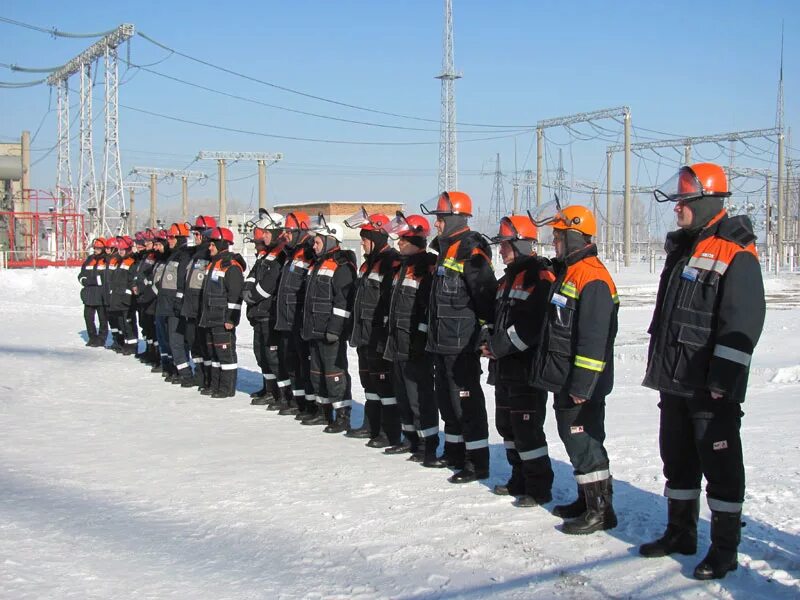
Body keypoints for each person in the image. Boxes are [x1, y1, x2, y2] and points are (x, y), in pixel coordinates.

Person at [640, 163, 766, 580]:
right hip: (675, 381)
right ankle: (680, 533)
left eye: (684, 201)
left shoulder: (736, 251)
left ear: (707, 201)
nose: (677, 208)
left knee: (721, 471)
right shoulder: (685, 249)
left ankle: (725, 549)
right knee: (677, 462)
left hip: (710, 389)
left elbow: (742, 322)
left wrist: (723, 384)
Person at [530, 204, 618, 534]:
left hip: (582, 384)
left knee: (586, 443)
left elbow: (594, 340)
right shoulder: (572, 272)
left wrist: (583, 385)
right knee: (573, 440)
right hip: (565, 379)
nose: (554, 242)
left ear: (573, 236)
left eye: (557, 236)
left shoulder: (592, 278)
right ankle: (586, 501)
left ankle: (600, 511)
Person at [420, 191, 497, 483]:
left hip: (462, 343)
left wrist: (485, 332)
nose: (436, 224)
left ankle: (476, 462)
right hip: (442, 341)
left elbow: (484, 297)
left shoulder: (470, 250)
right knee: (447, 400)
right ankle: (453, 452)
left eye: (440, 219)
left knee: (466, 402)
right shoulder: (445, 248)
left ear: (454, 218)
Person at [482, 215, 555, 506]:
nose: (500, 251)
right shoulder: (506, 279)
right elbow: (495, 319)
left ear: (521, 243)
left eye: (505, 245)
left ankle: (539, 487)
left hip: (526, 369)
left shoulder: (540, 276)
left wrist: (498, 346)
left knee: (527, 429)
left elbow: (534, 325)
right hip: (504, 368)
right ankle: (518, 478)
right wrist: (486, 340)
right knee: (507, 426)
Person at [382, 213, 441, 463]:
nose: (399, 243)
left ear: (417, 239)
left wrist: (420, 338)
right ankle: (410, 439)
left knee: (420, 397)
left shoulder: (427, 267)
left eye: (404, 239)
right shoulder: (401, 266)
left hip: (415, 344)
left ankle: (427, 444)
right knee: (402, 394)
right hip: (397, 341)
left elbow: (427, 308)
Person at [346, 210, 402, 447]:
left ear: (377, 239)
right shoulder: (366, 265)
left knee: (384, 386)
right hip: (364, 335)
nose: (362, 242)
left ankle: (389, 433)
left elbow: (392, 302)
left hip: (378, 336)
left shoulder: (391, 262)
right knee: (369, 384)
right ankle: (371, 425)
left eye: (365, 238)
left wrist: (384, 333)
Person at [300, 218, 357, 430]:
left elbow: (343, 301)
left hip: (330, 332)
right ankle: (323, 413)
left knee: (334, 374)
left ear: (330, 240)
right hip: (314, 329)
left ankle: (342, 416)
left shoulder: (341, 265)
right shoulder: (317, 263)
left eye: (317, 242)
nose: (313, 246)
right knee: (317, 372)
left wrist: (335, 329)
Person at [273, 211, 316, 415]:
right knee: (290, 361)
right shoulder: (292, 253)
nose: (286, 235)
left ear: (301, 229)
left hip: (298, 319)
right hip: (287, 318)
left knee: (302, 365)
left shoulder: (308, 252)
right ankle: (295, 401)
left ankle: (308, 405)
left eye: (289, 231)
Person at [242, 212, 287, 405]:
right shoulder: (265, 255)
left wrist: (252, 295)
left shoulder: (280, 255)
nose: (263, 236)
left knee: (273, 355)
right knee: (261, 353)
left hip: (269, 314)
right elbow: (252, 277)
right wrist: (248, 290)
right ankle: (269, 388)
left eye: (267, 232)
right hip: (258, 313)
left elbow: (269, 284)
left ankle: (282, 393)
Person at [199, 227, 246, 398]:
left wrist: (231, 319)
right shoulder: (213, 263)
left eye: (212, 245)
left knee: (225, 354)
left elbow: (235, 295)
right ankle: (215, 385)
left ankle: (227, 388)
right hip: (210, 317)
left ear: (221, 244)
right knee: (213, 354)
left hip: (222, 319)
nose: (209, 248)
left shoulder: (231, 266)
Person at [157, 222, 195, 386]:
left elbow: (181, 281)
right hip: (166, 304)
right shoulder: (172, 255)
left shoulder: (184, 256)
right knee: (169, 339)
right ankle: (177, 369)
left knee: (177, 340)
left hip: (175, 306)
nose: (169, 240)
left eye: (172, 237)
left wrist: (178, 302)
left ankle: (186, 373)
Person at [181, 216, 216, 390]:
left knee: (204, 345)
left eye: (197, 233)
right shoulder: (194, 254)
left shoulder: (209, 255)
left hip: (201, 308)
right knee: (193, 343)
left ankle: (208, 378)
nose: (195, 237)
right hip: (190, 307)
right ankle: (199, 374)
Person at [105, 235, 139, 355]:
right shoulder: (118, 261)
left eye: (123, 249)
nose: (120, 251)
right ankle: (125, 343)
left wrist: (128, 295)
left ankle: (132, 345)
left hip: (127, 299)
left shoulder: (132, 262)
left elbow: (132, 281)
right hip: (117, 298)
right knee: (121, 322)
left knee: (128, 322)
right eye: (119, 249)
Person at [78, 237, 109, 347]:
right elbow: (81, 275)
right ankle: (92, 337)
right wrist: (84, 280)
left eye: (98, 248)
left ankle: (101, 339)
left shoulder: (107, 260)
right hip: (89, 294)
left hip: (101, 295)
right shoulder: (90, 259)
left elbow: (105, 278)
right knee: (88, 317)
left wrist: (92, 280)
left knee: (103, 319)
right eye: (95, 248)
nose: (96, 250)